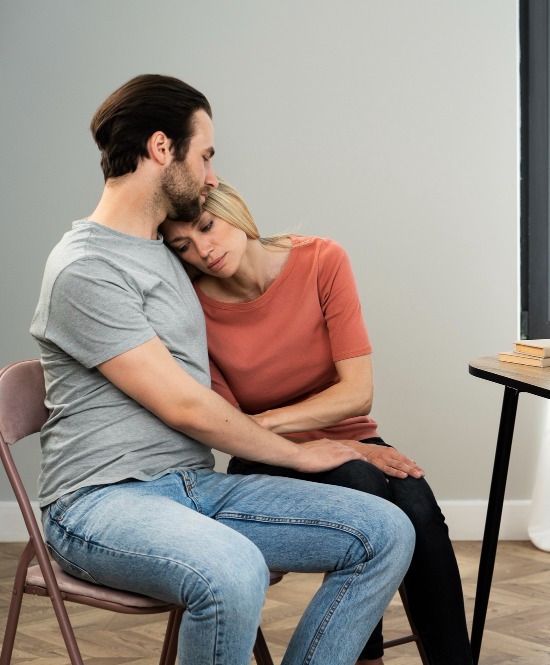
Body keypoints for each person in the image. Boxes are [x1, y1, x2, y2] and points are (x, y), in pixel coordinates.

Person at [29, 74, 415, 665]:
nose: (211, 176)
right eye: (205, 155)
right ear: (162, 148)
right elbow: (184, 405)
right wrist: (299, 455)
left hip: (193, 486)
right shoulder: (85, 268)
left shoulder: (170, 255)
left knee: (387, 533)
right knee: (233, 571)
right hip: (100, 502)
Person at [159, 179, 473, 665]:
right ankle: (363, 659)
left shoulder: (322, 260)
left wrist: (345, 444)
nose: (203, 250)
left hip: (345, 438)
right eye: (183, 246)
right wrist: (341, 449)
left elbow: (357, 393)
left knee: (419, 507)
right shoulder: (193, 307)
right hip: (264, 458)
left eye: (207, 227)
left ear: (234, 210)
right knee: (363, 484)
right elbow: (231, 425)